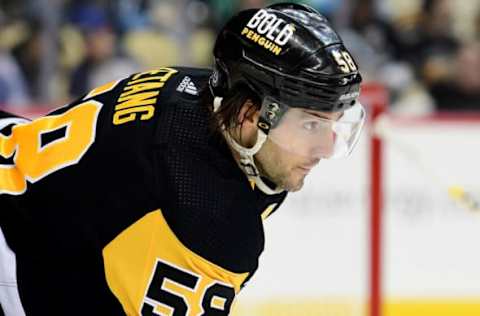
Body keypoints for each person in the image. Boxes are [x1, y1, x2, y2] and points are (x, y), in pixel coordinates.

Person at [0, 3, 364, 315]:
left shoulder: (195, 90)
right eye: (311, 125)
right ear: (250, 114)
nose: (327, 148)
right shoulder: (211, 218)